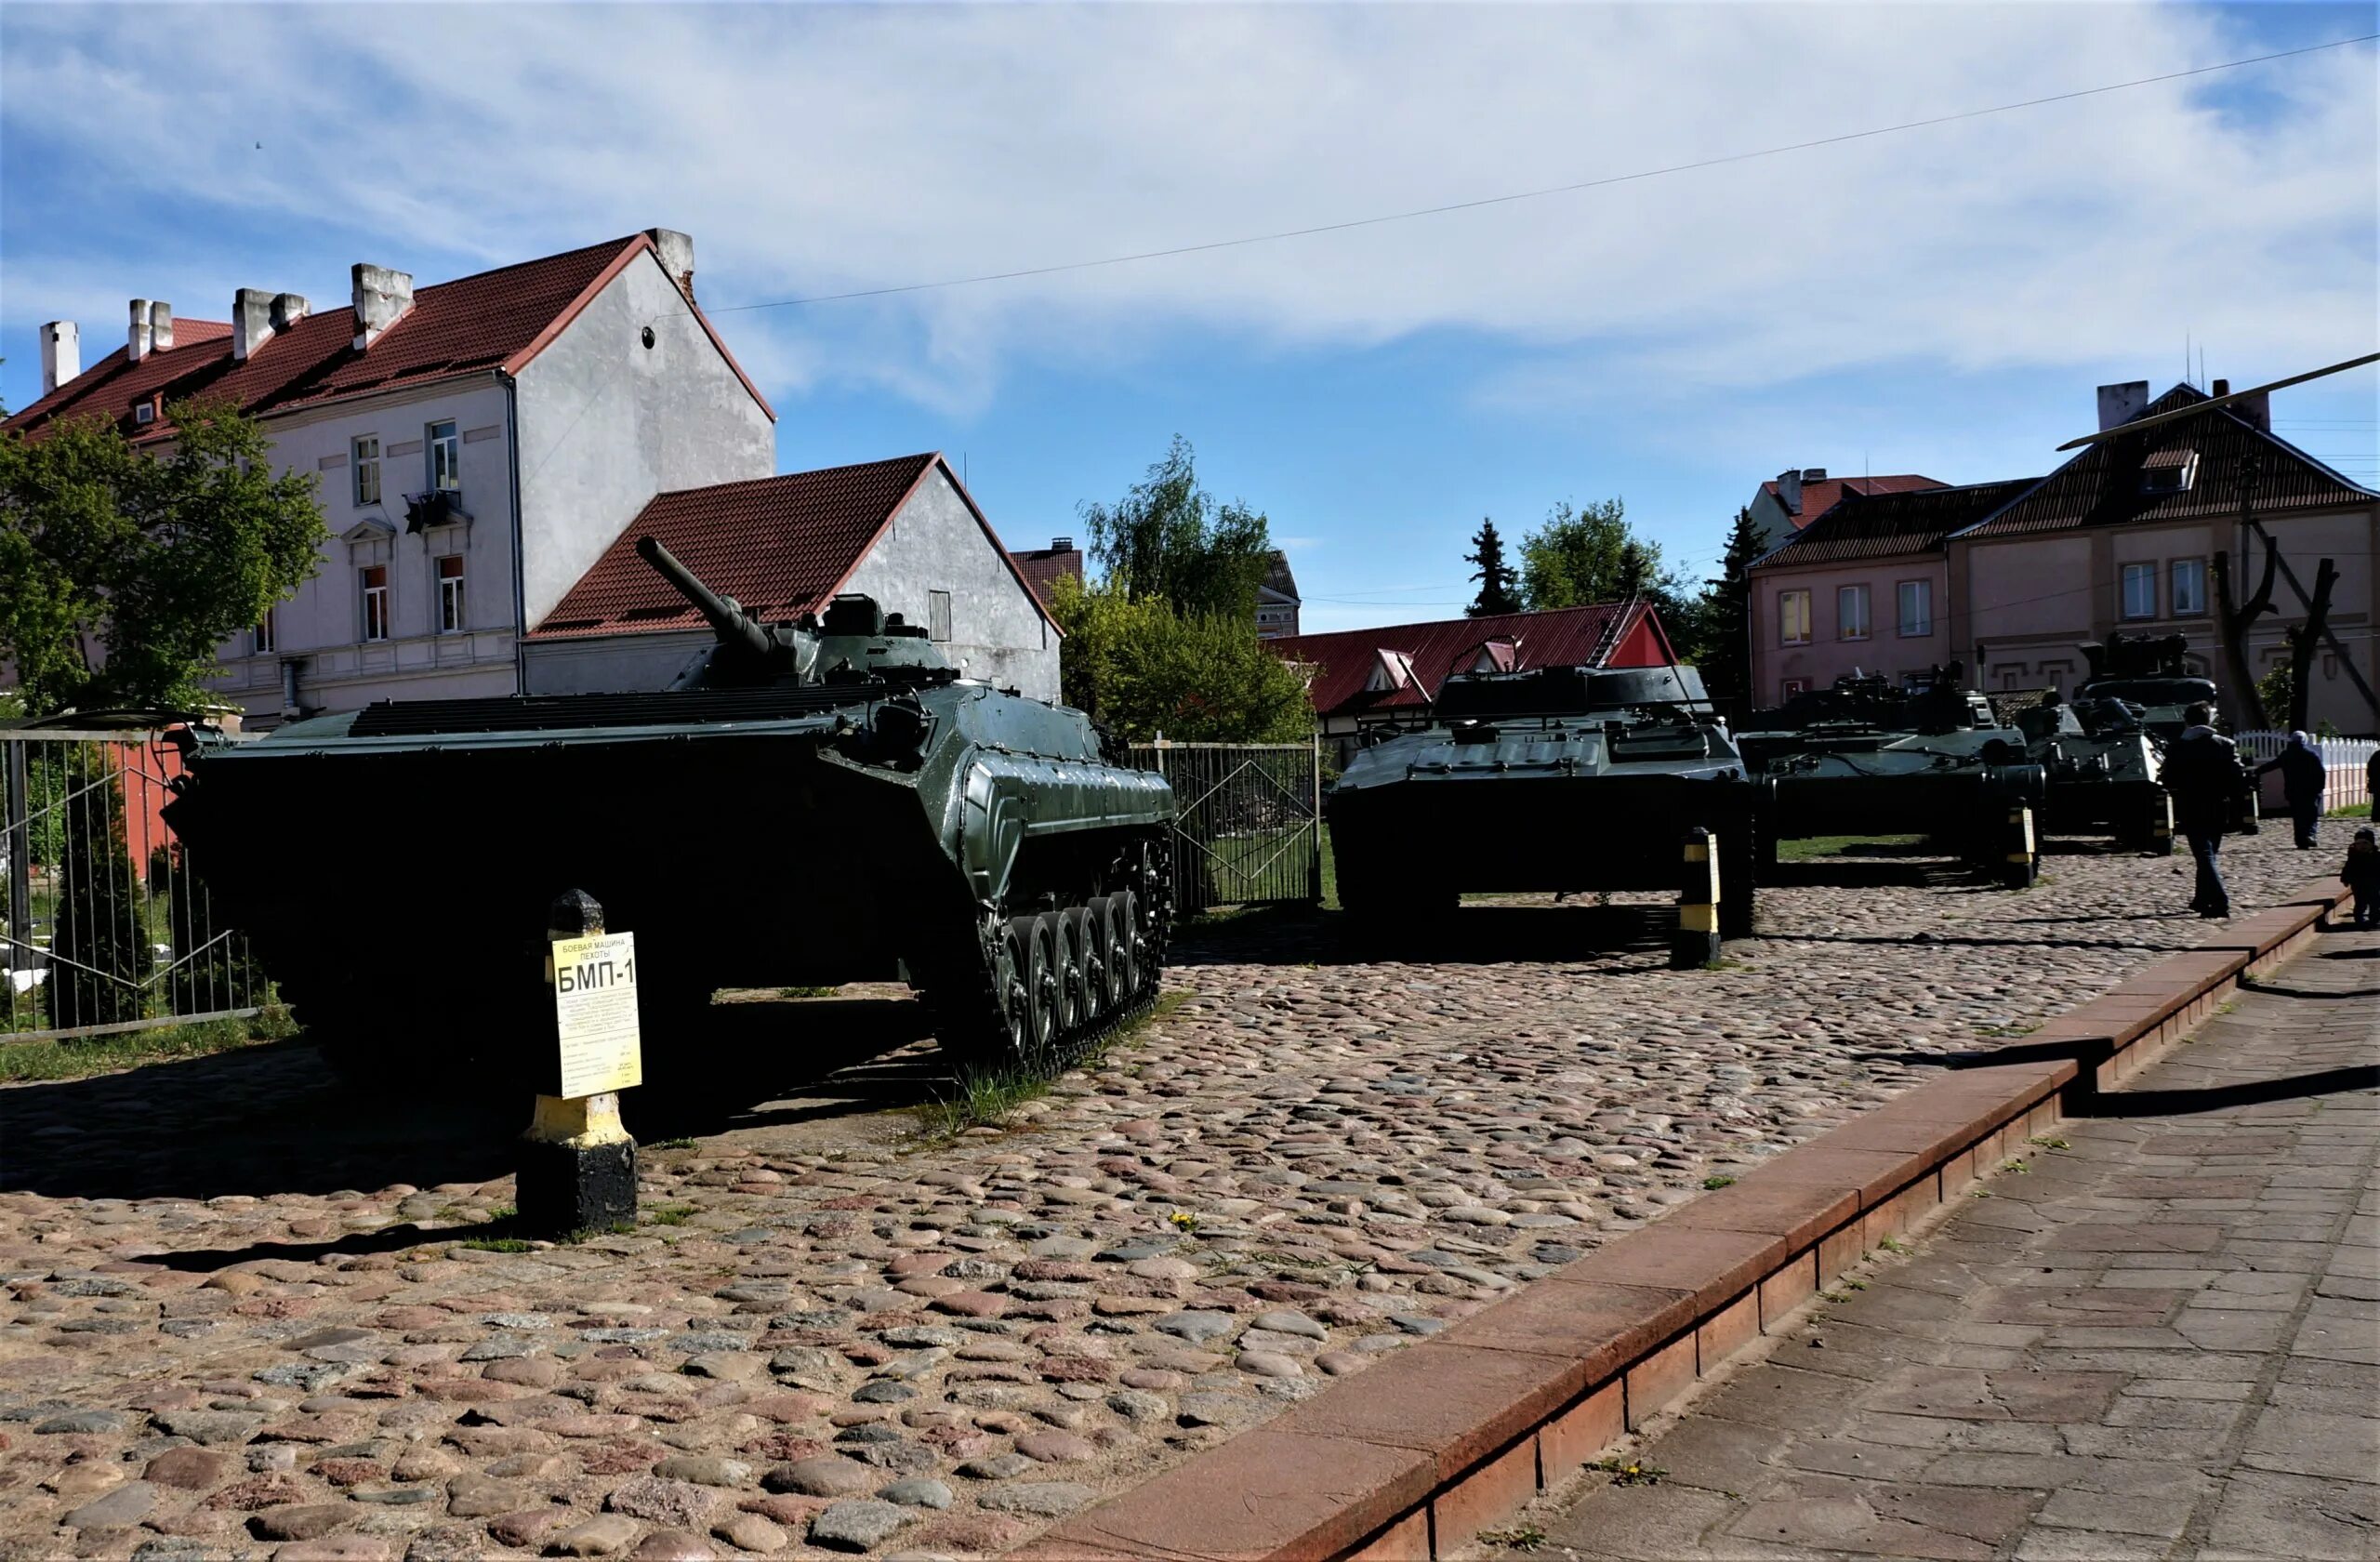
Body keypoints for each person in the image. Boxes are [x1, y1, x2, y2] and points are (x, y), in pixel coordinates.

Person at [2162, 703, 2242, 917]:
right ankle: (2201, 898)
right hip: (2218, 805)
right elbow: (2237, 775)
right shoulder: (2225, 744)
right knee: (2209, 854)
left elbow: (2167, 778)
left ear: (2186, 721)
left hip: (2191, 805)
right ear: (2209, 720)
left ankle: (2219, 900)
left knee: (2204, 854)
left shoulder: (2177, 747)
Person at [2261, 730, 2328, 849]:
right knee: (2311, 815)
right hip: (2310, 791)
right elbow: (2321, 773)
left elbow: (2272, 765)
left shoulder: (2286, 755)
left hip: (2293, 791)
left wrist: (2256, 771)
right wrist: (2320, 787)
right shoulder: (2311, 755)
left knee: (2298, 817)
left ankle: (2300, 840)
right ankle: (2310, 835)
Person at [2343, 827, 2380, 928]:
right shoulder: (2353, 857)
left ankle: (2374, 919)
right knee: (2360, 902)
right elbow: (2347, 869)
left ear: (2372, 844)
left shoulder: (2377, 856)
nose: (2362, 846)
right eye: (2358, 843)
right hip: (2358, 884)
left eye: (2365, 843)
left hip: (2375, 883)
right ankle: (2359, 919)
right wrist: (2345, 879)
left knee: (2375, 903)